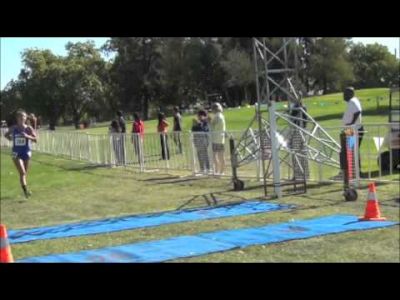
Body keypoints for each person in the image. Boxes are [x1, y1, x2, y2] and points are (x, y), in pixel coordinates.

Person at [4, 109, 37, 198]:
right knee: (22, 172)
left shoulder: (29, 128)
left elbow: (35, 140)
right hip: (16, 153)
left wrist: (27, 136)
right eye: (20, 116)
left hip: (26, 152)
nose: (22, 118)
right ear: (17, 118)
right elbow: (6, 135)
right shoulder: (14, 128)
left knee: (24, 173)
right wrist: (10, 139)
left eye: (23, 116)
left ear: (26, 118)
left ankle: (25, 189)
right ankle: (26, 192)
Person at [340, 87, 363, 175]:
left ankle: (354, 171)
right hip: (351, 129)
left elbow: (358, 112)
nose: (343, 96)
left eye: (345, 94)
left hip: (352, 130)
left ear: (351, 94)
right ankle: (353, 171)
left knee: (350, 150)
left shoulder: (353, 101)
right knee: (351, 150)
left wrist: (351, 124)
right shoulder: (353, 101)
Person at [192, 109, 210, 174]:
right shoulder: (197, 122)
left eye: (199, 115)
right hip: (197, 140)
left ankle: (207, 168)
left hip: (203, 140)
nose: (198, 117)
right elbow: (193, 130)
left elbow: (205, 130)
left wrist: (199, 124)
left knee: (205, 155)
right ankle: (202, 168)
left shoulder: (206, 122)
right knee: (199, 155)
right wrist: (195, 124)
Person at [210, 102, 226, 175]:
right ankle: (218, 171)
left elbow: (213, 127)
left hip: (217, 138)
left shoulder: (217, 117)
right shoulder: (220, 116)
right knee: (218, 156)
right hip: (219, 138)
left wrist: (209, 122)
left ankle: (220, 171)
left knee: (219, 156)